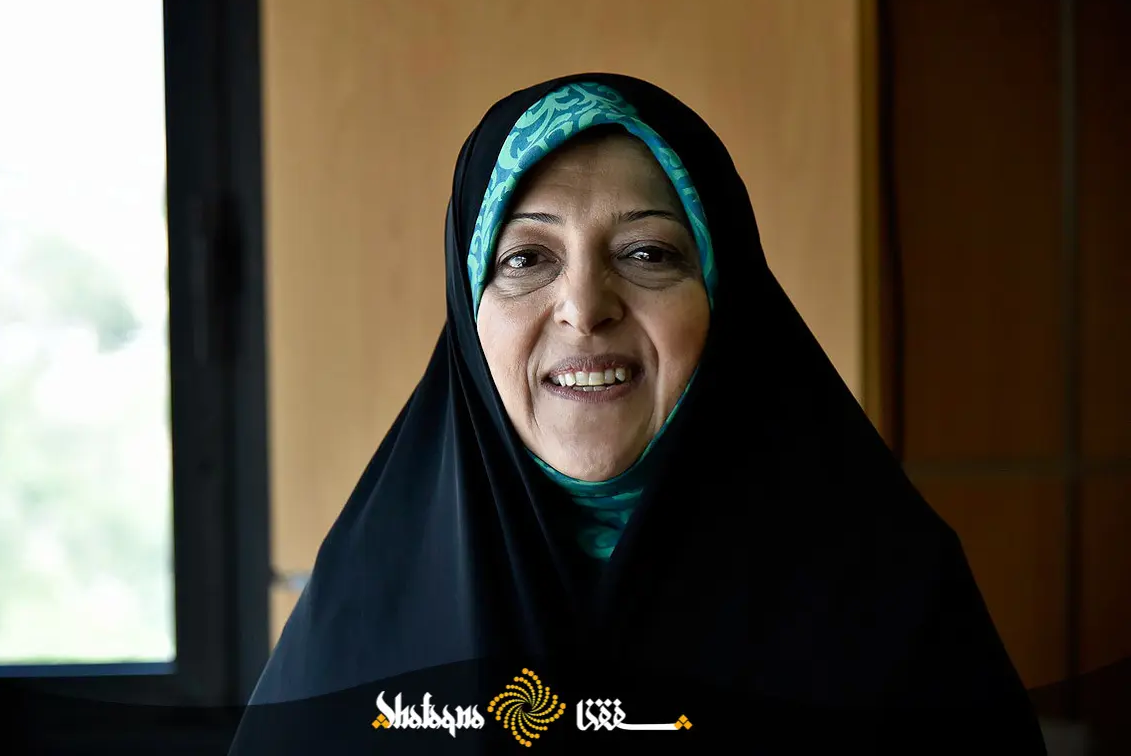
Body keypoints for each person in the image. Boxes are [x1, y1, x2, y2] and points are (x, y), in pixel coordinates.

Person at [229, 74, 1046, 754]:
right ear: (469, 312)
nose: (584, 307)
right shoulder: (361, 628)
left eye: (647, 253)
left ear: (724, 300)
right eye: (526, 258)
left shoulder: (892, 605)